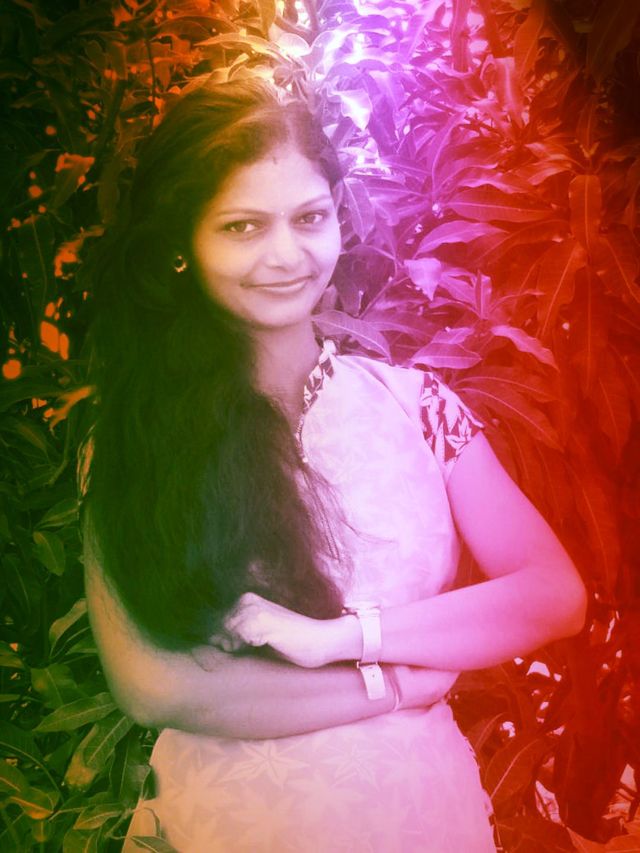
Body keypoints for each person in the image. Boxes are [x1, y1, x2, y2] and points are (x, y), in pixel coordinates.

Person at [79, 75, 587, 852]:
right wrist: (389, 685)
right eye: (242, 226)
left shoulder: (417, 407)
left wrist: (348, 639)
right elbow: (154, 684)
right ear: (182, 246)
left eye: (309, 218)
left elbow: (552, 593)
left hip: (422, 820)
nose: (286, 255)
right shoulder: (133, 437)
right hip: (229, 826)